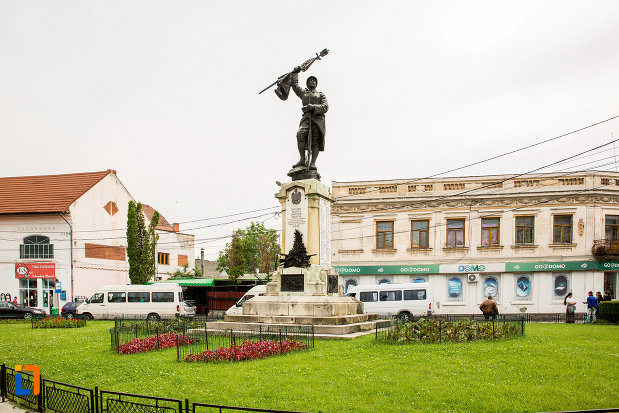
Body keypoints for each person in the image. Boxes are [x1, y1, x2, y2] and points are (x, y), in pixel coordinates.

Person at [290, 66, 328, 171]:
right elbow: (294, 85)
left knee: (315, 141)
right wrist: (295, 72)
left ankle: (313, 163)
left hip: (318, 120)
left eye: (314, 80)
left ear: (316, 84)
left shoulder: (321, 95)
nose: (312, 81)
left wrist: (313, 107)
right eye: (310, 80)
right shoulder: (304, 93)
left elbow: (325, 107)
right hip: (306, 118)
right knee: (300, 134)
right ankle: (302, 160)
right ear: (307, 84)